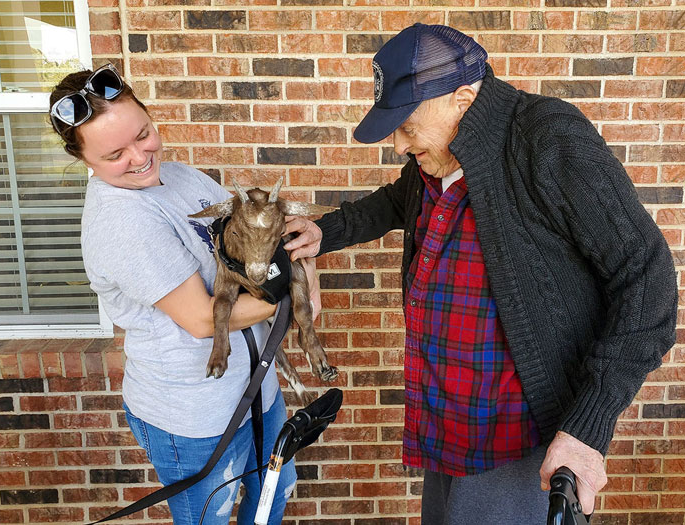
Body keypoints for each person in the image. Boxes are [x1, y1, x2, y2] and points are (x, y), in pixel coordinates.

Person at [284, 23, 678, 524]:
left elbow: (649, 283)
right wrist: (327, 232)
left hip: (518, 436)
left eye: (407, 125)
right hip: (448, 419)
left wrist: (588, 429)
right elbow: (397, 200)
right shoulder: (438, 154)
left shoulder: (546, 138)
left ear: (463, 96)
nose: (400, 144)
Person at [49, 63, 304, 525]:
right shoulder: (122, 221)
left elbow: (250, 239)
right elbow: (204, 320)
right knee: (210, 516)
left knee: (274, 493)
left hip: (255, 386)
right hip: (194, 414)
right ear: (84, 160)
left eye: (143, 134)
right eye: (114, 155)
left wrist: (290, 243)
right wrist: (292, 292)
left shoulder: (182, 177)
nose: (139, 156)